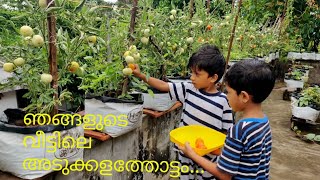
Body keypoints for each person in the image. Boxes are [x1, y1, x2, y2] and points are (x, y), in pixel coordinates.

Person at [132, 44, 234, 179]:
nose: (192, 77)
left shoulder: (224, 102)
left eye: (197, 74)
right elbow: (164, 86)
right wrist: (142, 76)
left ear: (213, 78)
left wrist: (215, 150)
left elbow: (226, 133)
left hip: (208, 159)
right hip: (185, 154)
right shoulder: (189, 89)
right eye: (191, 72)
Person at [179, 59, 275, 180]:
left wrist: (192, 154)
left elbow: (224, 175)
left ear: (244, 96)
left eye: (228, 92)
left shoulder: (239, 130)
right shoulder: (263, 122)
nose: (227, 97)